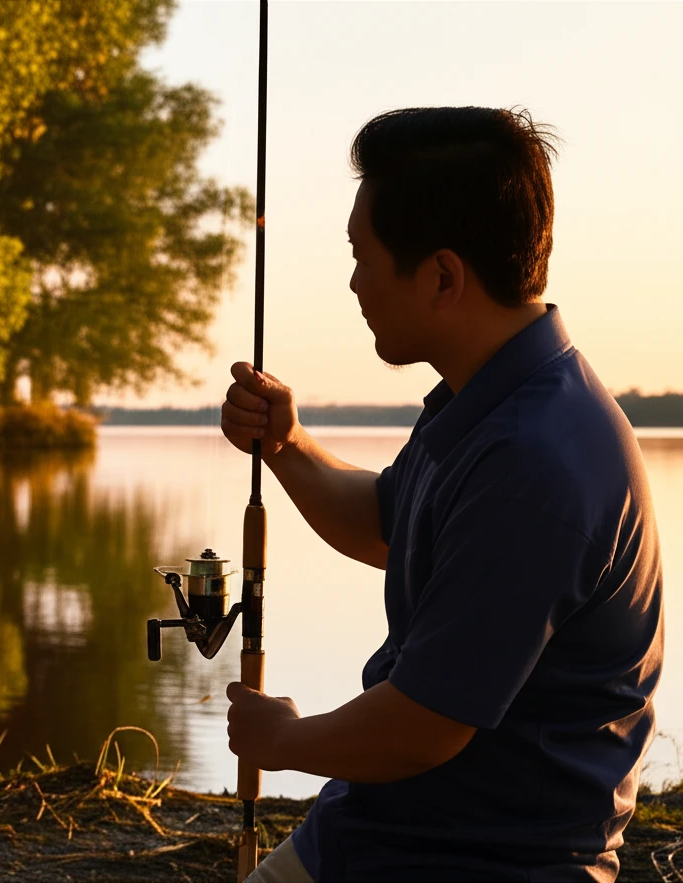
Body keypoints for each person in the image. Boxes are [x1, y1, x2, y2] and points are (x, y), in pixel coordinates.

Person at [219, 106, 664, 882]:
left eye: (363, 255)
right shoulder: (493, 397)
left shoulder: (536, 462)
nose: (354, 281)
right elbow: (390, 526)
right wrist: (287, 448)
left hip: (488, 859)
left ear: (443, 276)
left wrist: (284, 739)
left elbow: (424, 726)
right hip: (383, 829)